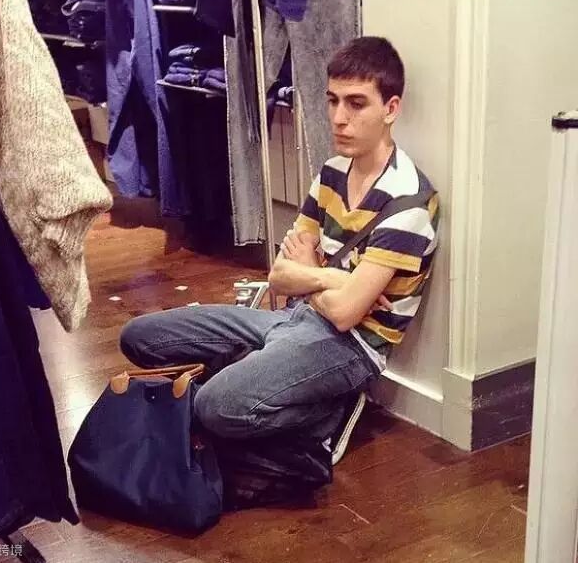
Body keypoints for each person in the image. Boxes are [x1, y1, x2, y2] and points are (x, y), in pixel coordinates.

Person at [120, 36, 439, 465]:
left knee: (214, 407)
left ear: (391, 108)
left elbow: (345, 315)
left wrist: (309, 273)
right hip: (292, 318)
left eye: (356, 103)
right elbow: (278, 276)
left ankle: (326, 414)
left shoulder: (408, 202)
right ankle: (262, 374)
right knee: (140, 337)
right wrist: (332, 277)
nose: (338, 118)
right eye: (332, 100)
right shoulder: (332, 173)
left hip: (351, 348)